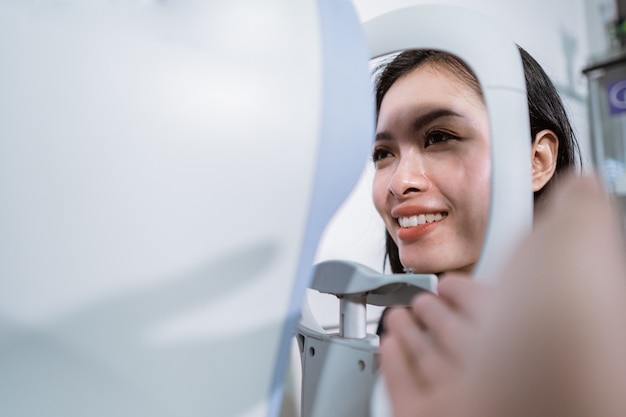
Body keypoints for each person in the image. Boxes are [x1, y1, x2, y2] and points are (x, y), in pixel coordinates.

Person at [369, 46, 586, 416]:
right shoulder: (403, 320)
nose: (399, 182)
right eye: (383, 153)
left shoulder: (590, 337)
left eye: (438, 137)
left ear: (536, 161)